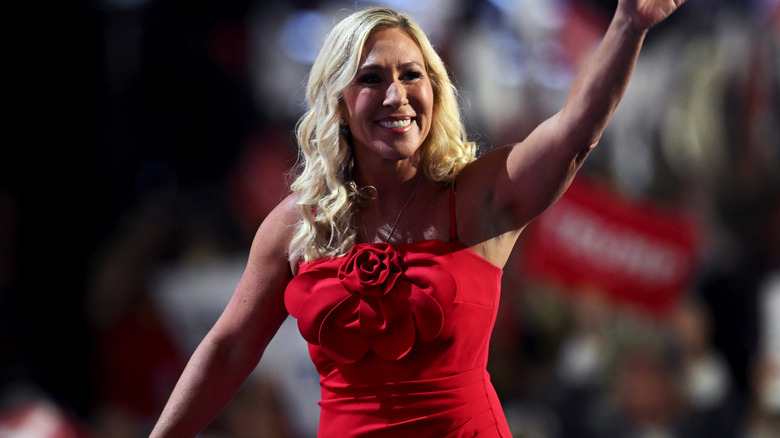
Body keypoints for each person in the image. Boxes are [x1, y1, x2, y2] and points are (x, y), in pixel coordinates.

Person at [150, 1, 687, 436]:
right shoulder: (300, 225)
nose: (396, 95)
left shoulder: (481, 196)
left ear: (435, 90)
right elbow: (226, 351)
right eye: (371, 78)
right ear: (337, 101)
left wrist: (627, 25)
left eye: (413, 75)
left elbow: (575, 131)